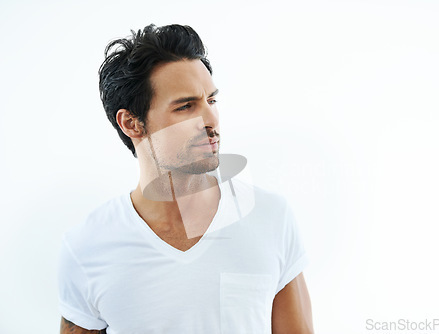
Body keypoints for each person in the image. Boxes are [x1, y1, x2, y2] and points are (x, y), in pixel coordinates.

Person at [58, 24, 313, 334]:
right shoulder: (88, 246)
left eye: (212, 101)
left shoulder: (270, 217)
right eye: (186, 106)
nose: (211, 120)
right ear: (132, 123)